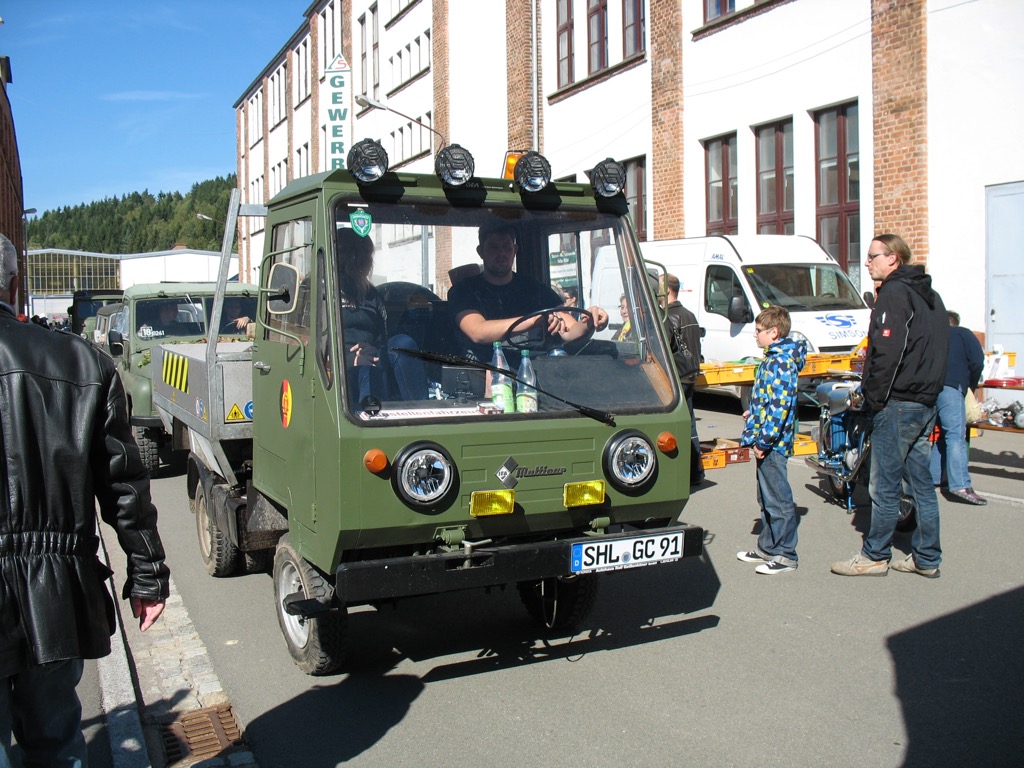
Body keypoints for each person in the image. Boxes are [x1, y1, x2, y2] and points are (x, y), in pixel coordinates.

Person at [0, 233, 170, 766]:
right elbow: (123, 483)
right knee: (55, 744)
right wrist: (147, 575)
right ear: (14, 280)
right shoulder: (80, 362)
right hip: (56, 594)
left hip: (51, 580)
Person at [831, 234, 948, 578]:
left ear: (893, 258)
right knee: (921, 484)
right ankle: (926, 557)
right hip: (925, 400)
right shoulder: (931, 296)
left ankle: (874, 554)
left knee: (884, 484)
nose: (866, 262)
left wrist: (874, 398)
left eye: (872, 256)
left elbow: (887, 353)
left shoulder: (895, 294)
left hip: (898, 401)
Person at [448, 223, 608, 364]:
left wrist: (589, 322)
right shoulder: (463, 291)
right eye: (493, 247)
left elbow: (570, 330)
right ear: (481, 251)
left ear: (515, 250)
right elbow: (478, 332)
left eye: (507, 247)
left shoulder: (536, 289)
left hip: (535, 372)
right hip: (483, 375)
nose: (501, 253)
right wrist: (533, 320)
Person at [736, 305, 807, 575]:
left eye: (759, 331)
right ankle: (767, 546)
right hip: (766, 438)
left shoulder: (782, 362)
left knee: (778, 499)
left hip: (773, 444)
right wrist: (752, 412)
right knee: (765, 497)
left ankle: (786, 554)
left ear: (774, 332)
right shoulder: (772, 358)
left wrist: (763, 441)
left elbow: (780, 408)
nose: (755, 335)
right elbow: (768, 399)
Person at [337, 228, 426, 408]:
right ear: (337, 255)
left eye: (366, 254)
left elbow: (384, 336)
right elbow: (305, 343)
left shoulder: (371, 294)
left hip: (372, 358)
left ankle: (423, 411)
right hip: (336, 370)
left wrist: (374, 349)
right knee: (365, 371)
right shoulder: (316, 289)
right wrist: (348, 359)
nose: (362, 260)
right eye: (353, 253)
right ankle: (367, 424)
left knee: (403, 343)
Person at [930, 310, 986, 504]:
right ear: (956, 322)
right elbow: (977, 361)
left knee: (936, 434)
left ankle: (934, 476)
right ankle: (960, 484)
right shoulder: (963, 334)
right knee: (955, 435)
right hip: (951, 386)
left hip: (927, 388)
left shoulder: (931, 334)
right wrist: (970, 384)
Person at [662, 274, 705, 486]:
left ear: (667, 291)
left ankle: (682, 474)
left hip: (676, 376)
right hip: (690, 374)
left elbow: (665, 348)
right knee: (690, 426)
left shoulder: (667, 317)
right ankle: (695, 472)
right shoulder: (690, 315)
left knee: (677, 426)